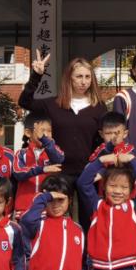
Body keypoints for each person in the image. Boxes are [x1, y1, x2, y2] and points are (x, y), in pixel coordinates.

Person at [18, 51, 108, 181]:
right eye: (79, 76)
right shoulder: (52, 105)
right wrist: (36, 76)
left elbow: (103, 141)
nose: (84, 82)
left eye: (88, 77)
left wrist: (101, 169)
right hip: (58, 173)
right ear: (69, 78)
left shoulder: (99, 107)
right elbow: (24, 102)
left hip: (89, 173)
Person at [11, 112, 64, 218]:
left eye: (49, 131)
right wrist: (41, 169)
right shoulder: (21, 154)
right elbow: (18, 173)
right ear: (28, 132)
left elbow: (59, 159)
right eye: (42, 131)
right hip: (24, 207)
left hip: (48, 208)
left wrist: (44, 140)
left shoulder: (54, 151)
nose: (46, 135)